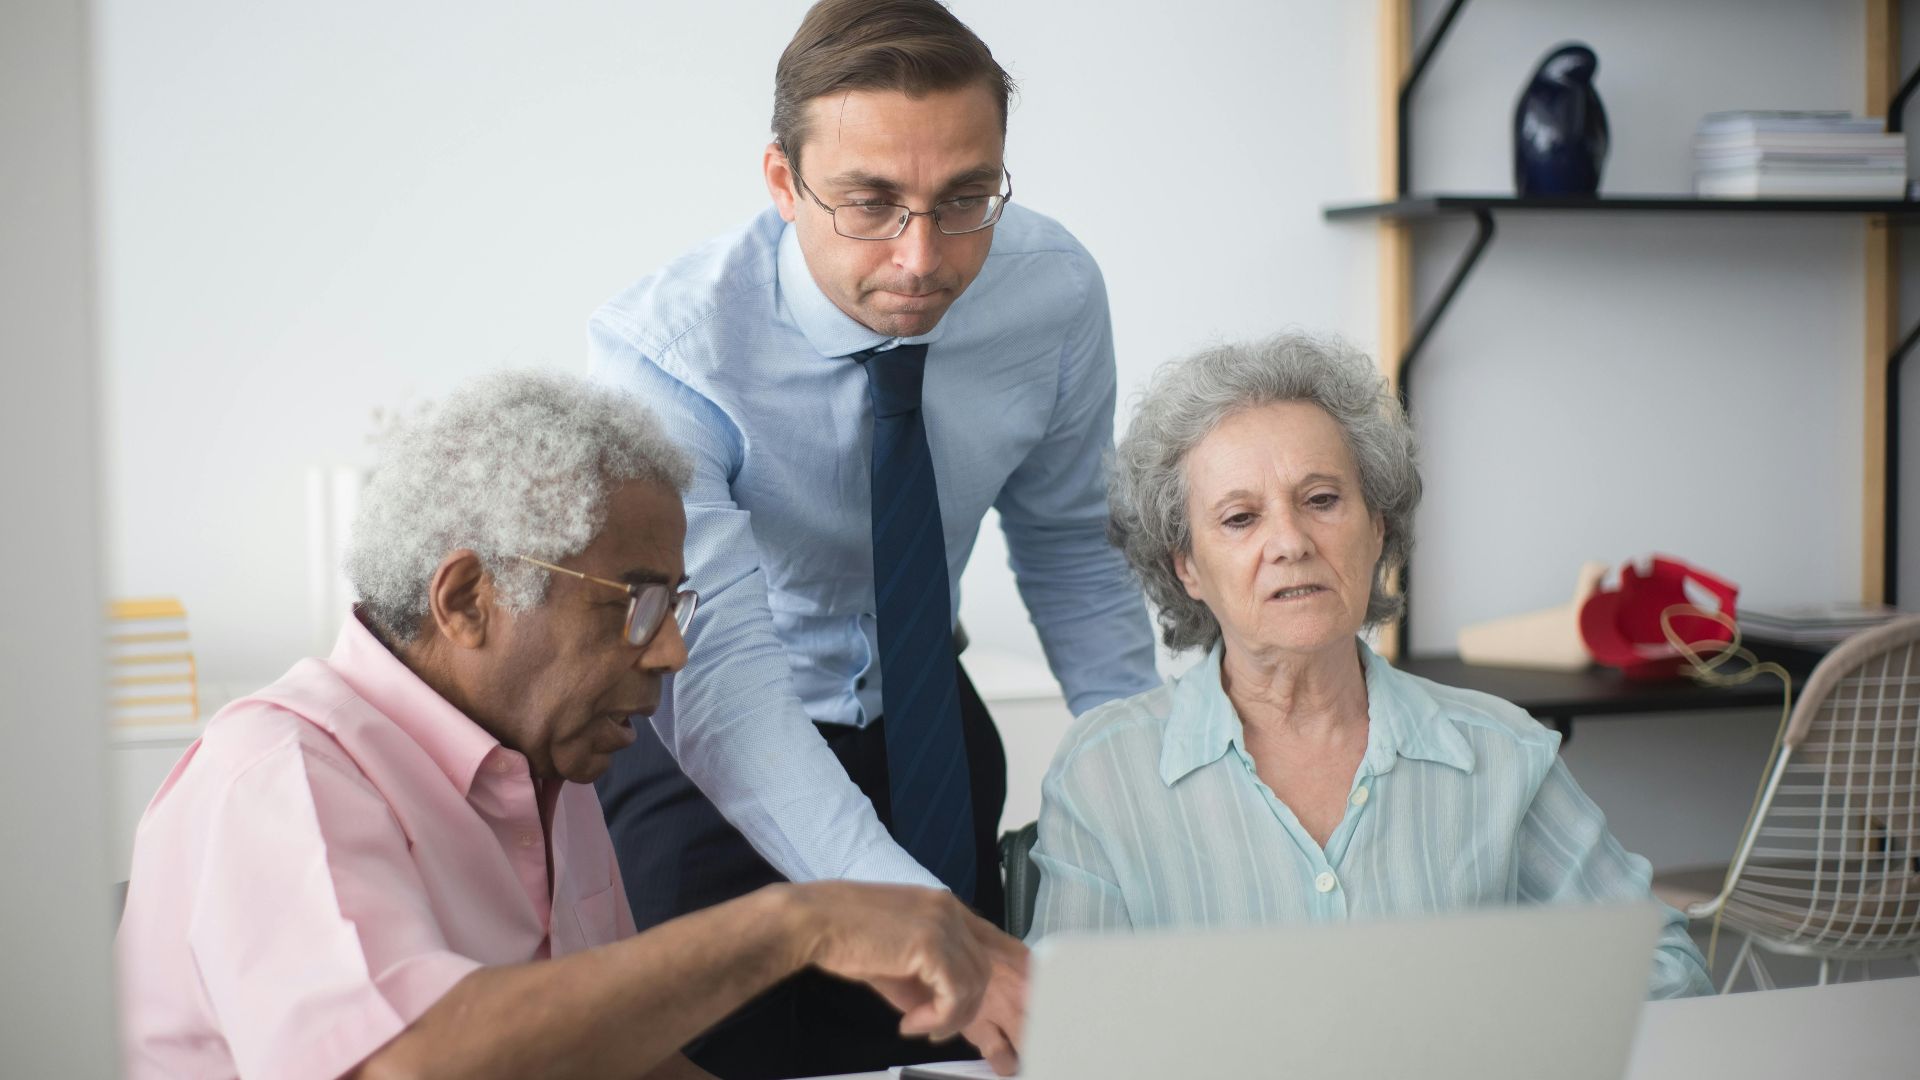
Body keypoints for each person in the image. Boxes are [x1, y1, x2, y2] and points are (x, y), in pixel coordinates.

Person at [115, 371, 1023, 1080]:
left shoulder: (542, 765)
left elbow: (625, 1066)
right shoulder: (278, 776)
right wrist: (796, 923)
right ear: (468, 599)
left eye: (676, 606)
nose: (670, 652)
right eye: (634, 604)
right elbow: (408, 1061)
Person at [588, 1, 1157, 1075]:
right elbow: (723, 685)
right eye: (870, 203)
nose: (923, 256)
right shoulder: (667, 356)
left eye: (964, 199)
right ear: (779, 181)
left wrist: (1149, 779)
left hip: (928, 737)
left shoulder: (1053, 292)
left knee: (963, 1057)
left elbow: (1072, 545)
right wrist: (912, 919)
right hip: (706, 759)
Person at [1027, 334, 1712, 999]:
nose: (1291, 542)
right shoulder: (1103, 771)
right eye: (1240, 518)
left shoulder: (1502, 754)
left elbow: (1667, 973)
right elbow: (1061, 1034)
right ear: (1187, 568)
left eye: (1322, 500)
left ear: (1377, 527)